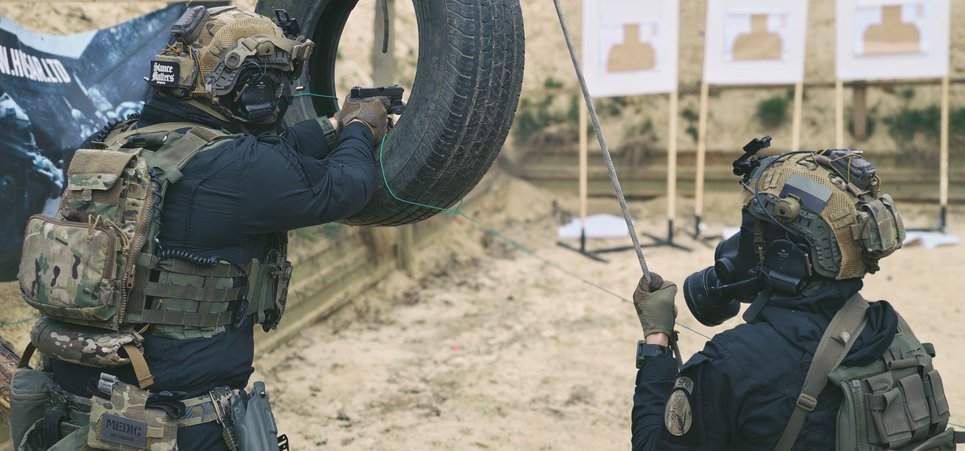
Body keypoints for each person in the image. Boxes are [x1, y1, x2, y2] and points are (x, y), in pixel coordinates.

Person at [11, 5, 390, 450]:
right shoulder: (239, 168)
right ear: (248, 87)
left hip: (72, 408)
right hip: (171, 426)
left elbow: (258, 160)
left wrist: (333, 126)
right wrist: (363, 127)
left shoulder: (118, 144)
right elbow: (347, 187)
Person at [629, 146, 957, 450]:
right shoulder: (893, 331)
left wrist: (657, 342)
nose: (741, 244)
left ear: (782, 252)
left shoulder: (732, 363)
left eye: (753, 231)